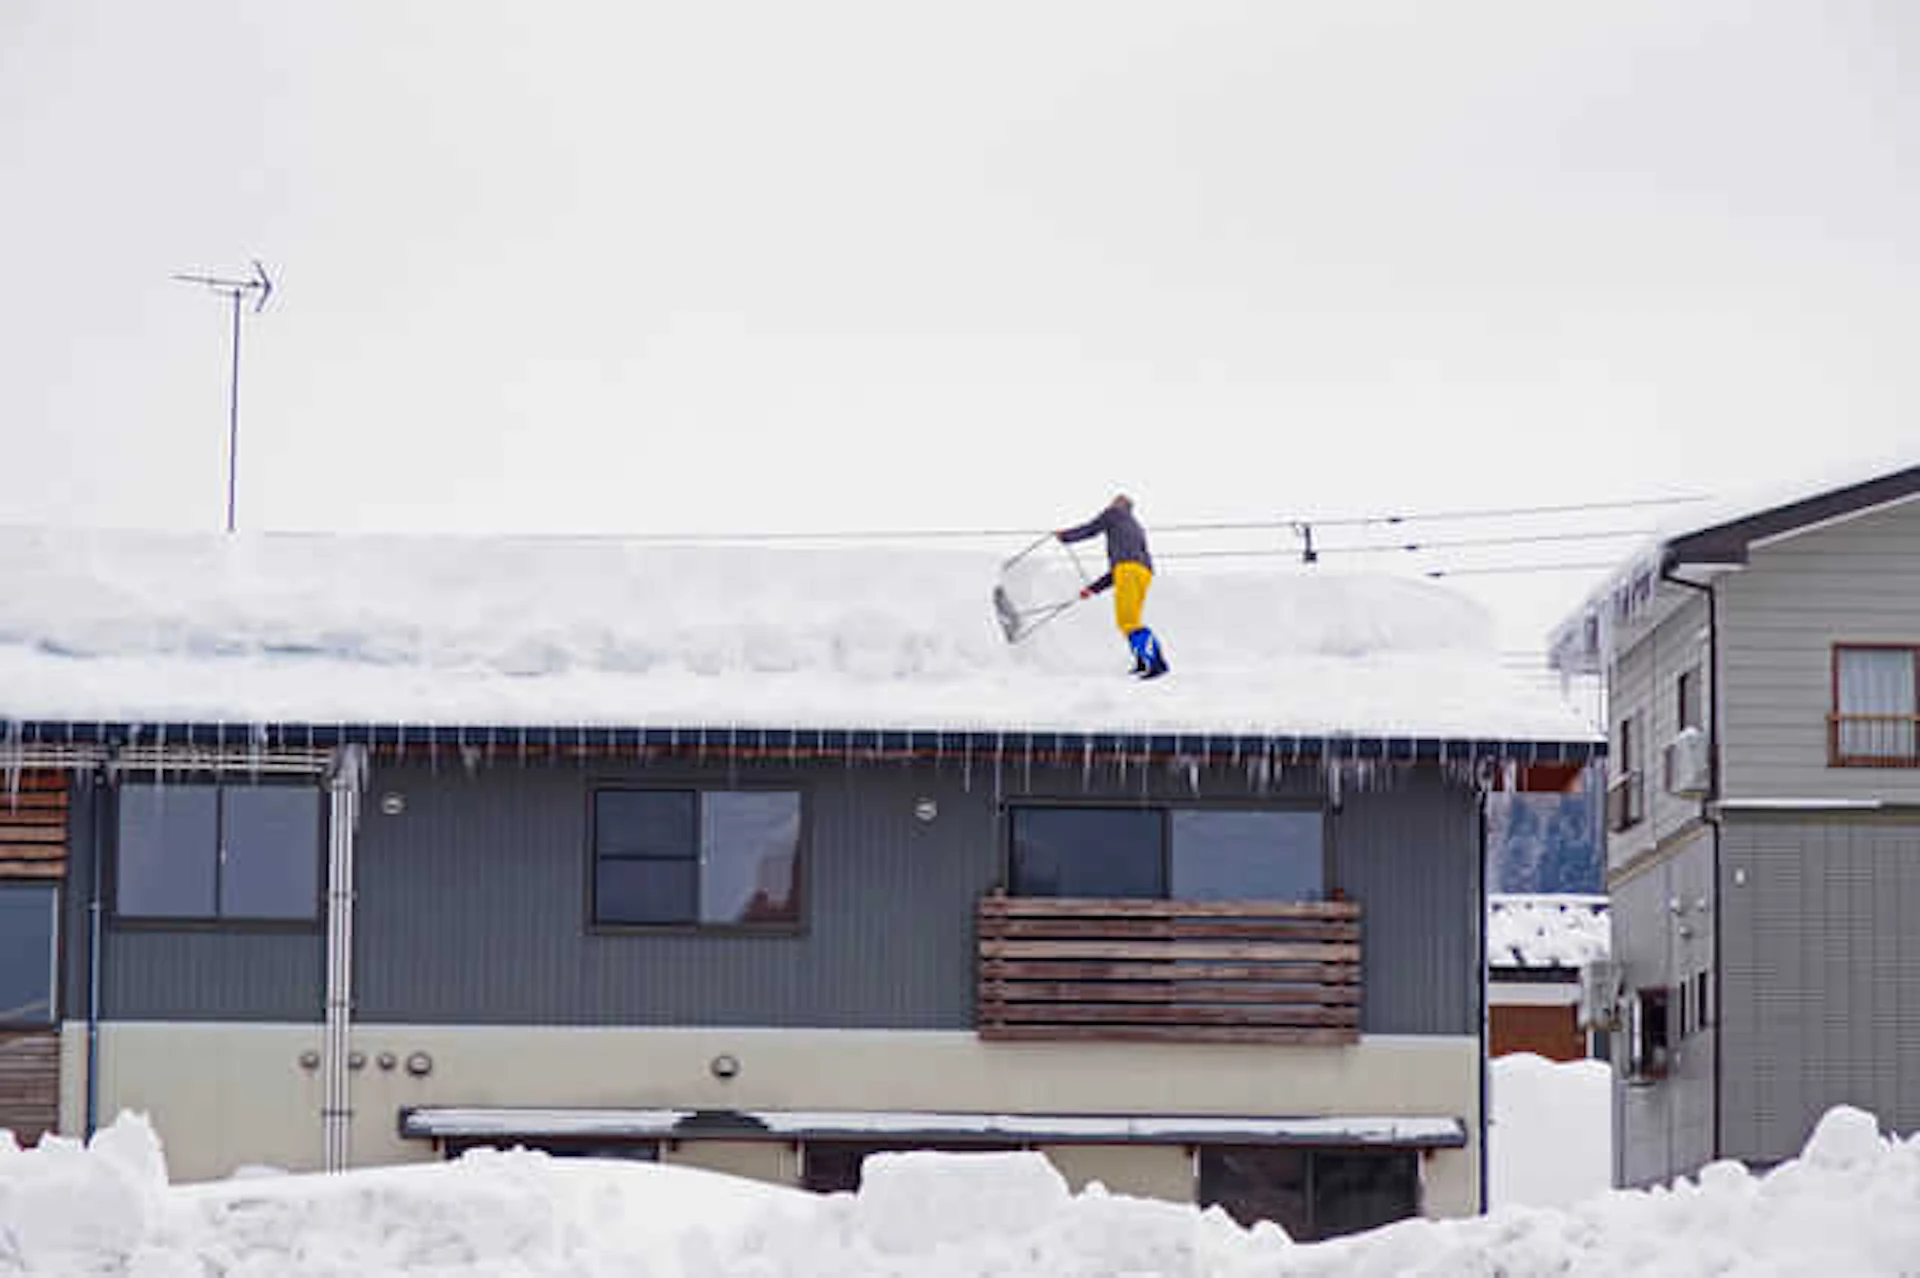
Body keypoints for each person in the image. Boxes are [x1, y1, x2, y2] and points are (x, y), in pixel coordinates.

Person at [1057, 493, 1169, 678]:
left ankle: (1156, 663)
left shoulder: (1114, 514)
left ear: (1122, 505)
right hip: (1143, 573)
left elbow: (1091, 529)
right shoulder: (1136, 527)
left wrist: (1066, 536)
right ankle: (1143, 661)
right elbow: (1117, 572)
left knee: (1128, 621)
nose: (1111, 504)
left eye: (1115, 501)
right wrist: (1092, 589)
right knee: (1131, 620)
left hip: (1128, 571)